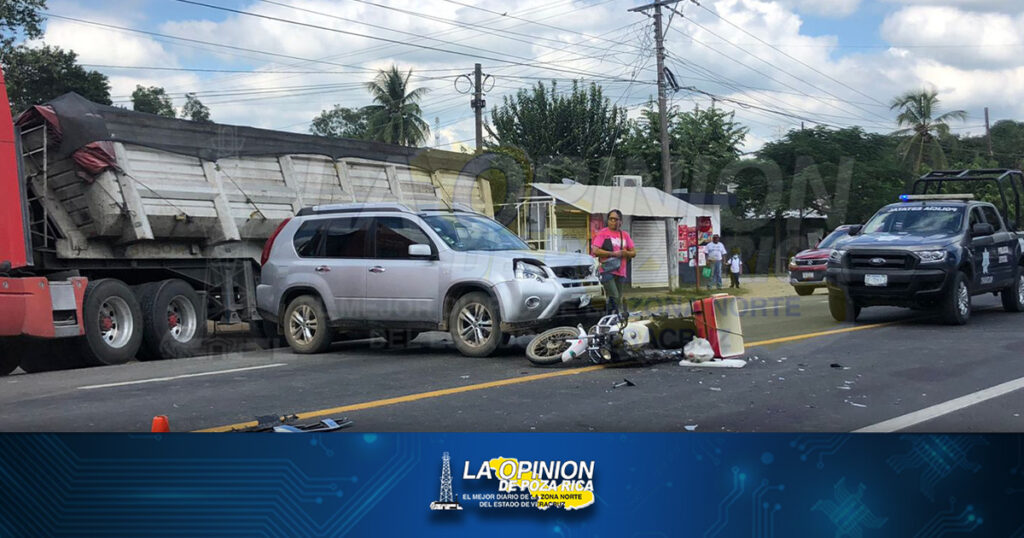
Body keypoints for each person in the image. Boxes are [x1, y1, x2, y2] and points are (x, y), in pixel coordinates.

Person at [591, 209, 636, 315]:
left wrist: (625, 253)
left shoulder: (625, 235)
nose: (613, 221)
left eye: (616, 219)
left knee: (617, 298)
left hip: (621, 270)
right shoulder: (603, 233)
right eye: (611, 219)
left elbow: (633, 252)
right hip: (606, 270)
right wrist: (613, 254)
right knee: (614, 296)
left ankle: (612, 317)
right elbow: (595, 250)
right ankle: (611, 316)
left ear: (621, 221)